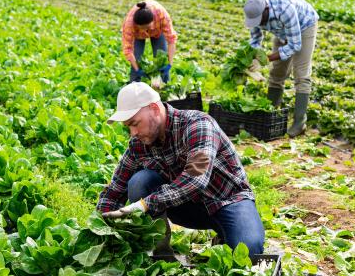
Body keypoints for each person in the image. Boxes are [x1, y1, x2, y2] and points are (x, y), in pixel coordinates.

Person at [97, 81, 265, 256]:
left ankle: (226, 233)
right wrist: (100, 228)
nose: (133, 133)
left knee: (249, 251)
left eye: (135, 123)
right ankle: (160, 257)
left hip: (228, 201)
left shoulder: (197, 125)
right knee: (140, 181)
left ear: (154, 109)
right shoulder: (139, 145)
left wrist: (145, 204)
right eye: (128, 126)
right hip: (187, 208)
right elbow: (115, 190)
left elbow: (195, 179)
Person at [244, 0, 319, 137]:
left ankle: (299, 123)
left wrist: (265, 59)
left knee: (301, 74)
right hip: (282, 31)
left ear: (266, 10)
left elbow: (295, 45)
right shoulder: (253, 12)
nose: (258, 23)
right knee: (277, 72)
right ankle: (272, 113)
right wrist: (253, 57)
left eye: (260, 19)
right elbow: (255, 40)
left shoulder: (284, 9)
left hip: (304, 26)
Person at [122, 0, 177, 84]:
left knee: (162, 58)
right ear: (136, 25)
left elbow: (171, 40)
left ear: (153, 20)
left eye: (147, 27)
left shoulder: (161, 15)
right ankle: (134, 85)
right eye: (142, 28)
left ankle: (164, 85)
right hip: (138, 36)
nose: (145, 30)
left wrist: (169, 63)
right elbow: (128, 50)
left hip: (157, 32)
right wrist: (137, 69)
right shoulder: (129, 24)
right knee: (137, 58)